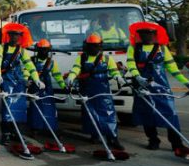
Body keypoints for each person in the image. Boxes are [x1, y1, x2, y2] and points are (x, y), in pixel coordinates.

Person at [126, 22, 189, 151]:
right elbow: (131, 65)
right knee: (147, 113)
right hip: (142, 87)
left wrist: (186, 82)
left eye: (150, 33)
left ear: (155, 34)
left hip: (162, 87)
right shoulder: (133, 48)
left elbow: (173, 69)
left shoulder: (163, 48)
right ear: (139, 34)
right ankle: (153, 140)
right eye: (143, 33)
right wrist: (138, 77)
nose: (146, 35)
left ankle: (176, 143)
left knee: (170, 113)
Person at [67, 34, 125, 149]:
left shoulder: (107, 58)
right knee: (90, 114)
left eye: (96, 46)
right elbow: (76, 68)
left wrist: (118, 77)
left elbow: (114, 71)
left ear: (100, 46)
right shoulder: (82, 57)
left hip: (103, 91)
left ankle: (112, 138)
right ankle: (94, 135)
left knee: (108, 114)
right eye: (91, 46)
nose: (93, 48)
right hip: (87, 90)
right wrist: (71, 76)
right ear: (86, 46)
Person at [0, 24, 41, 144]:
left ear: (20, 37)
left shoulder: (22, 50)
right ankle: (6, 134)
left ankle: (16, 133)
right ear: (8, 35)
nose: (15, 37)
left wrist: (36, 79)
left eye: (18, 35)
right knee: (7, 108)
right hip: (7, 81)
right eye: (13, 34)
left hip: (19, 82)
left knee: (19, 108)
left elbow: (29, 65)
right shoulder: (1, 48)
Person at [27, 39, 67, 136]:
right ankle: (35, 128)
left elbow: (57, 75)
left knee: (49, 108)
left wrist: (64, 86)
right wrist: (26, 81)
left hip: (47, 89)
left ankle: (50, 128)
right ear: (38, 50)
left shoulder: (51, 63)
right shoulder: (31, 61)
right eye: (42, 49)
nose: (44, 52)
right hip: (35, 88)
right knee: (35, 108)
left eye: (46, 50)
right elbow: (25, 72)